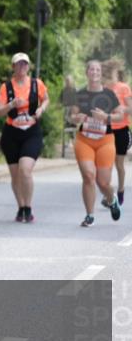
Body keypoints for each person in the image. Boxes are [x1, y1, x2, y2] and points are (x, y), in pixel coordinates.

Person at [0, 53, 49, 223]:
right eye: (18, 64)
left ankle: (28, 207)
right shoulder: (6, 87)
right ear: (13, 67)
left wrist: (41, 110)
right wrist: (10, 105)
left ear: (29, 67)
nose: (22, 67)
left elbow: (46, 99)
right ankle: (21, 207)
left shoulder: (36, 84)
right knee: (15, 175)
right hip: (11, 133)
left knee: (25, 170)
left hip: (31, 132)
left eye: (25, 64)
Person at [67, 60, 123, 227]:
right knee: (89, 176)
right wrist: (77, 118)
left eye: (97, 70)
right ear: (87, 72)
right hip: (85, 140)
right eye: (91, 69)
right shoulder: (80, 94)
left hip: (105, 140)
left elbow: (120, 116)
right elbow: (72, 116)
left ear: (101, 73)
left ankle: (111, 199)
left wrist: (106, 117)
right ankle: (89, 215)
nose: (94, 72)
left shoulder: (109, 95)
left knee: (103, 182)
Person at [102, 59, 130, 207]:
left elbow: (131, 109)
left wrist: (121, 109)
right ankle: (109, 195)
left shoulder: (124, 88)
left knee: (119, 164)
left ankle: (120, 191)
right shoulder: (103, 89)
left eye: (111, 73)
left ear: (116, 73)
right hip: (107, 130)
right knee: (106, 164)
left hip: (122, 130)